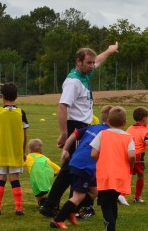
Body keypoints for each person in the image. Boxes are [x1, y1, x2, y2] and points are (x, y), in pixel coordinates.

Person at [39, 43, 118, 217]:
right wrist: (64, 133)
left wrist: (110, 51)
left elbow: (99, 60)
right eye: (88, 63)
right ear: (78, 62)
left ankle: (70, 204)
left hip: (83, 126)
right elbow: (62, 107)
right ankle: (52, 205)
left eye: (91, 63)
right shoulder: (73, 82)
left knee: (74, 166)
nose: (91, 66)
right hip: (74, 125)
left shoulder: (85, 74)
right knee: (70, 168)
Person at [49, 105, 111, 229]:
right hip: (84, 166)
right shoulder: (108, 133)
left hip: (77, 161)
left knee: (94, 191)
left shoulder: (92, 127)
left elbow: (74, 134)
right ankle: (58, 220)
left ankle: (71, 212)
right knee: (79, 196)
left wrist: (65, 150)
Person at [91, 106, 135, 231]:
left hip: (105, 175)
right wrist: (130, 165)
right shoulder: (128, 137)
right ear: (125, 122)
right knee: (112, 202)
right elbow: (132, 155)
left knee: (105, 205)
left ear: (108, 120)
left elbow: (93, 154)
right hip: (120, 175)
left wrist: (102, 159)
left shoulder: (102, 134)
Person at [0, 82, 29, 216]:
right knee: (14, 178)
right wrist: (22, 151)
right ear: (17, 96)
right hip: (15, 151)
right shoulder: (21, 113)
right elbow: (24, 135)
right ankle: (18, 208)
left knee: (1, 178)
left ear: (2, 96)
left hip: (0, 151)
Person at [126, 106, 148, 204]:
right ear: (144, 118)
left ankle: (121, 196)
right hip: (138, 155)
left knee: (127, 174)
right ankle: (137, 197)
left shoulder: (130, 128)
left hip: (127, 153)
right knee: (140, 175)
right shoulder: (145, 130)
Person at [24, 138, 61, 208]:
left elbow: (20, 163)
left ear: (30, 150)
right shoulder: (46, 158)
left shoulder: (28, 157)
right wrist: (53, 175)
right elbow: (59, 169)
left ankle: (44, 205)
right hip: (47, 178)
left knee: (39, 193)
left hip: (37, 179)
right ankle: (46, 203)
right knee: (43, 192)